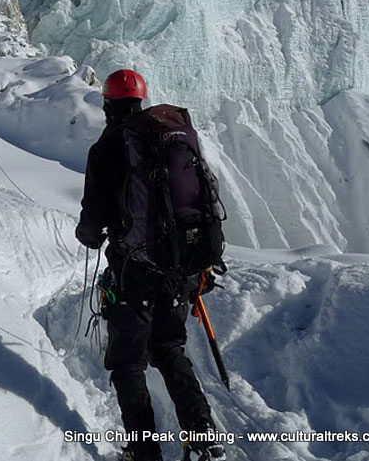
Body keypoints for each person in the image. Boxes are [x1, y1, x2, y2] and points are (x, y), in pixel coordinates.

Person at [75, 69, 226, 461]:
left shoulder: (107, 148)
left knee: (128, 365)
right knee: (171, 349)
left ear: (108, 104)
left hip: (133, 272)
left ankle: (144, 454)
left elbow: (92, 220)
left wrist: (91, 235)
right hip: (178, 270)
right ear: (141, 101)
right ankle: (204, 437)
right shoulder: (167, 137)